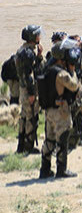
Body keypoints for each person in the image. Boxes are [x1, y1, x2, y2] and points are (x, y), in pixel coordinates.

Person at [39, 39, 81, 179]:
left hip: (49, 111)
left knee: (49, 141)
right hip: (60, 112)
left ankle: (44, 169)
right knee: (62, 141)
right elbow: (74, 86)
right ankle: (61, 170)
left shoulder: (48, 70)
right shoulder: (62, 74)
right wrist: (73, 71)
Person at [15, 25, 43, 155]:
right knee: (31, 117)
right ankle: (28, 146)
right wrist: (32, 93)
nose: (39, 36)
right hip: (28, 89)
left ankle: (21, 145)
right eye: (37, 35)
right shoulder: (27, 53)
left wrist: (38, 57)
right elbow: (29, 75)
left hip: (23, 88)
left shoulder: (23, 50)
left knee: (24, 116)